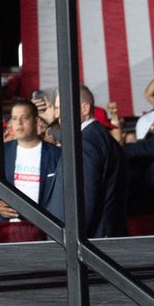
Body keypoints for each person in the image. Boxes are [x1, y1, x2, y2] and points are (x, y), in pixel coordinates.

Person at [57, 86, 127, 238]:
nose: (58, 115)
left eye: (62, 108)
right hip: (109, 233)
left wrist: (72, 239)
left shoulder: (85, 142)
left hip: (93, 239)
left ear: (84, 109)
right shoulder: (102, 137)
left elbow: (85, 199)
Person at [0, 98, 63, 223]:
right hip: (7, 225)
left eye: (24, 118)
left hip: (45, 227)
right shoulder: (0, 153)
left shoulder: (56, 154)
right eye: (14, 118)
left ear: (36, 121)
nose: (19, 123)